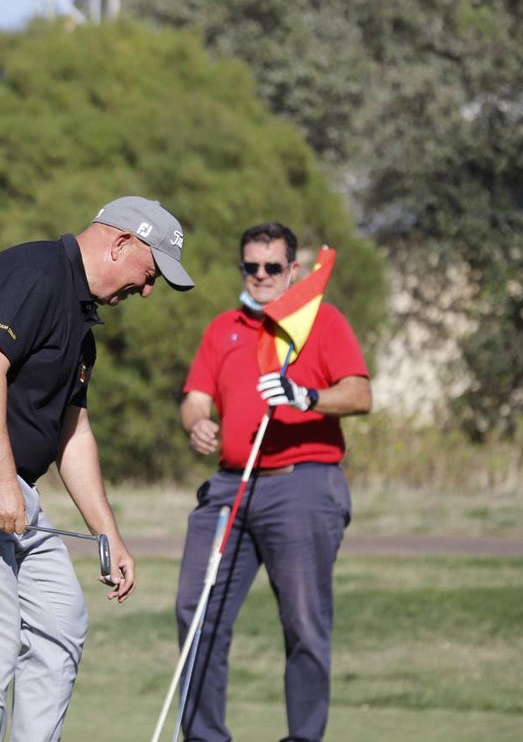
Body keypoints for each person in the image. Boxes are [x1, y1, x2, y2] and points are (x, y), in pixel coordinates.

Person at [0, 196, 195, 741]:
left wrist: (110, 537)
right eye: (149, 275)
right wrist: (3, 481)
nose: (146, 291)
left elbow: (72, 435)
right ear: (121, 242)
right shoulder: (36, 273)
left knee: (60, 621)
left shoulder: (81, 325)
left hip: (6, 484)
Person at [175, 222, 371, 742]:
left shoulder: (321, 322)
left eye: (272, 267)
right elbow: (196, 395)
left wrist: (308, 397)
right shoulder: (224, 327)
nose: (260, 276)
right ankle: (204, 736)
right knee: (197, 612)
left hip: (302, 484)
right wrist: (197, 421)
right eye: (251, 267)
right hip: (229, 487)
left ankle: (303, 737)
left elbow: (358, 393)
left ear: (294, 270)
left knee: (304, 623)